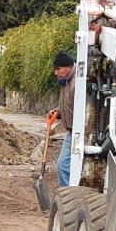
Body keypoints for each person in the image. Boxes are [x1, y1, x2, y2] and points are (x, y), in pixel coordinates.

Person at [52, 51, 76, 187]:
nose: (56, 73)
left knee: (64, 164)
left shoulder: (78, 81)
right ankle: (66, 194)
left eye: (58, 69)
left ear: (68, 67)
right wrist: (58, 112)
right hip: (71, 131)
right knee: (63, 165)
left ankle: (68, 196)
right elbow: (69, 105)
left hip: (80, 132)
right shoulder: (66, 81)